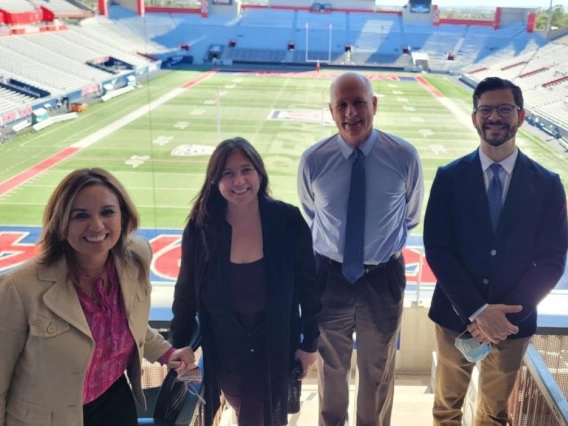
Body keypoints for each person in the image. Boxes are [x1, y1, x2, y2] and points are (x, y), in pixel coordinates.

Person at [424, 77, 568, 426]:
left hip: (511, 325)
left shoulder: (548, 184)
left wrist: (502, 320)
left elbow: (551, 261)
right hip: (454, 318)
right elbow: (438, 249)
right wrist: (476, 310)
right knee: (446, 410)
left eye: (505, 109)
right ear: (475, 117)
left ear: (521, 116)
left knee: (494, 415)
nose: (494, 117)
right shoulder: (449, 177)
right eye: (485, 109)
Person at [0, 168, 194, 426]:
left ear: (123, 217)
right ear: (60, 223)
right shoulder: (19, 287)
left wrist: (166, 352)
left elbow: (129, 323)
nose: (97, 225)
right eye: (80, 215)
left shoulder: (136, 257)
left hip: (114, 403)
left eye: (107, 212)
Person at [298, 72, 424, 426]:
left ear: (375, 105)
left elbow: (410, 216)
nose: (351, 112)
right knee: (330, 369)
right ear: (331, 110)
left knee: (377, 372)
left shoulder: (403, 156)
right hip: (330, 276)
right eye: (342, 105)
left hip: (382, 278)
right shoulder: (314, 160)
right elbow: (312, 212)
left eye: (359, 103)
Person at [170, 137, 321, 426]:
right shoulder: (201, 227)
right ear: (215, 181)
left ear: (260, 173)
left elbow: (309, 288)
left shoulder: (287, 220)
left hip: (276, 345)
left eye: (246, 170)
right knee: (247, 412)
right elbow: (186, 289)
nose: (238, 180)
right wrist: (179, 344)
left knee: (262, 416)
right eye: (227, 173)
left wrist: (310, 343)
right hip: (227, 350)